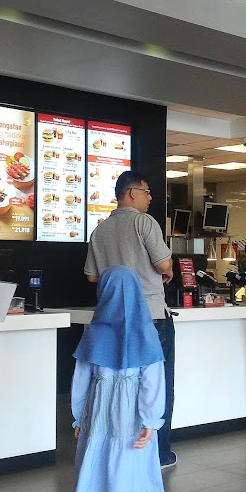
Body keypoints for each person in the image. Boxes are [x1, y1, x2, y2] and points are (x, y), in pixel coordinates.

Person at [52, 266, 183, 492]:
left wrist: (78, 417)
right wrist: (151, 421)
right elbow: (153, 383)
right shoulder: (147, 333)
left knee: (94, 476)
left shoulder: (94, 333)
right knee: (140, 478)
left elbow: (80, 381)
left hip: (98, 421)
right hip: (134, 423)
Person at [85, 170, 177, 468]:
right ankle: (159, 454)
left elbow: (92, 276)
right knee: (157, 385)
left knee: (119, 386)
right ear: (132, 193)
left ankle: (123, 452)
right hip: (150, 318)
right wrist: (167, 270)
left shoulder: (99, 230)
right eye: (147, 192)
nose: (150, 198)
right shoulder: (144, 222)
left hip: (112, 320)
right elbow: (163, 263)